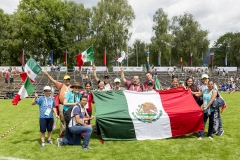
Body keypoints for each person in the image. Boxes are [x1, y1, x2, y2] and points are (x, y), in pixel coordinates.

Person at [42, 71, 72, 136]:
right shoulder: (60, 85)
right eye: (66, 79)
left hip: (70, 105)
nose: (68, 80)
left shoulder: (72, 87)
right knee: (62, 118)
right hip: (62, 104)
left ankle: (70, 131)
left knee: (70, 118)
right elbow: (53, 80)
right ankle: (63, 132)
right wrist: (47, 74)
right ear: (64, 80)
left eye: (69, 79)